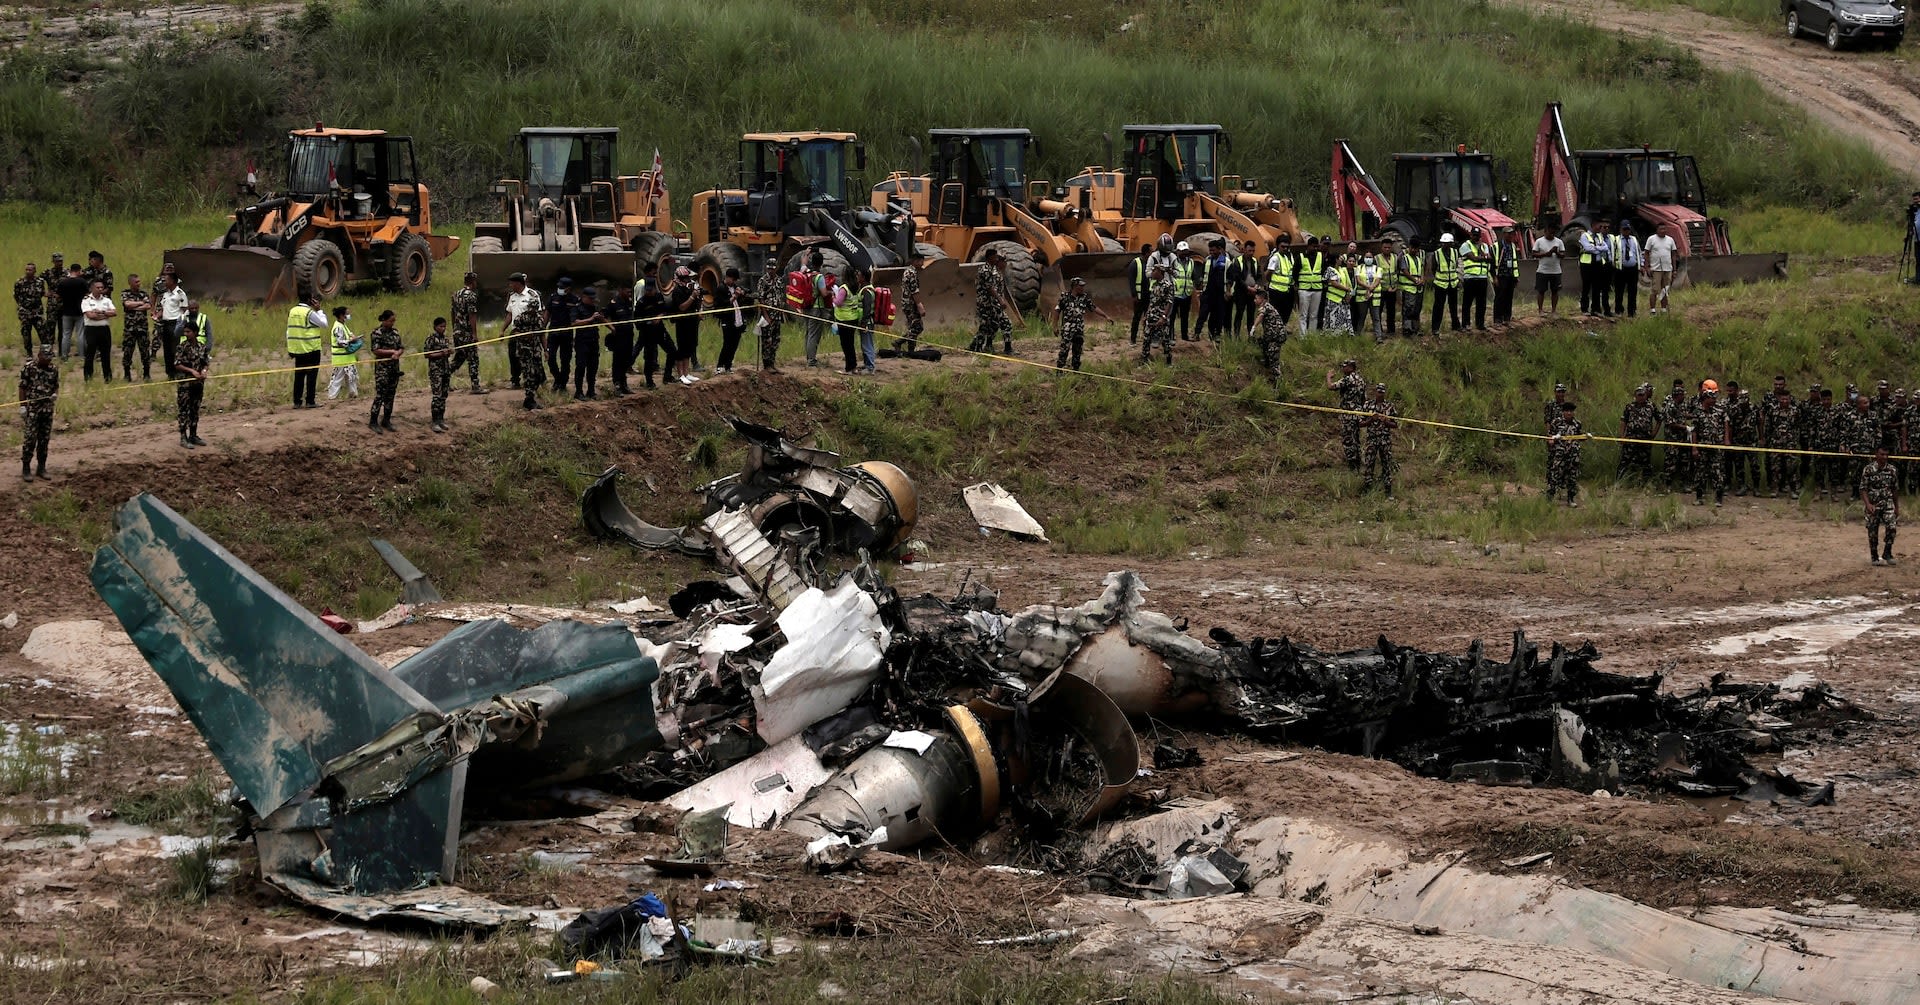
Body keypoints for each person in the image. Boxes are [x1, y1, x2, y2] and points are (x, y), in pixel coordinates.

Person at [1051, 276, 1110, 371]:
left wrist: (1106, 316)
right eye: (1081, 286)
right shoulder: (1065, 297)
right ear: (1075, 286)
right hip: (1068, 329)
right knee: (1064, 350)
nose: (1083, 288)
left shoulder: (1084, 298)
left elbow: (1093, 308)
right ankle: (1059, 370)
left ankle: (1076, 370)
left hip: (1079, 329)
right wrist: (1055, 326)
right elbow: (1057, 310)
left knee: (1077, 350)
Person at [506, 273, 546, 410]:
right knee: (528, 373)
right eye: (532, 309)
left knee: (538, 373)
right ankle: (529, 399)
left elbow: (542, 333)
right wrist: (523, 335)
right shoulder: (520, 318)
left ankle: (531, 395)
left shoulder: (533, 296)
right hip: (523, 347)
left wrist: (545, 350)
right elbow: (513, 323)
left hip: (535, 348)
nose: (533, 311)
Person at [970, 247, 1021, 354]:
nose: (997, 260)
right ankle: (1007, 349)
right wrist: (1001, 301)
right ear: (990, 258)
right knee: (1005, 323)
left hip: (992, 303)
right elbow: (990, 288)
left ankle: (978, 345)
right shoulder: (985, 270)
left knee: (989, 326)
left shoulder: (994, 270)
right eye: (996, 257)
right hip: (987, 303)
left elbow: (997, 288)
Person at [18, 342, 56, 482]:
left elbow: (55, 386)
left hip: (47, 410)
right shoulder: (29, 368)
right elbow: (22, 388)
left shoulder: (53, 369)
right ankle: (26, 468)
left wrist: (54, 395)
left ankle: (41, 467)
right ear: (39, 355)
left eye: (50, 357)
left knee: (44, 439)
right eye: (46, 357)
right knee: (30, 439)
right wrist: (23, 406)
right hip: (33, 410)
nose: (48, 359)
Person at [1691, 380, 1729, 507]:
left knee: (1717, 472)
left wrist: (1726, 439)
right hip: (1702, 446)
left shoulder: (1719, 409)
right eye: (1711, 398)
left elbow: (1726, 423)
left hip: (1716, 446)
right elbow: (1694, 431)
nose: (1714, 400)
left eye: (1715, 397)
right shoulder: (1698, 411)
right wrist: (1694, 448)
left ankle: (1718, 498)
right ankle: (1699, 497)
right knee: (1700, 473)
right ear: (1705, 398)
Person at [285, 293, 326, 408]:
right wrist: (319, 310)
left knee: (299, 376)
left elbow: (289, 330)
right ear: (310, 300)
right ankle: (310, 401)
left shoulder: (292, 311)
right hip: (311, 348)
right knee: (311, 376)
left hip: (298, 349)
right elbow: (324, 324)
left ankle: (297, 402)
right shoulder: (309, 312)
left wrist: (290, 347)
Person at [1326, 359, 1366, 473]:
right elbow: (1364, 398)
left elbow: (1331, 387)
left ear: (1351, 368)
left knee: (1348, 439)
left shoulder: (1348, 379)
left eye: (1345, 366)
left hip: (1348, 414)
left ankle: (1352, 466)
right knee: (1356, 439)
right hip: (1358, 413)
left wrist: (1328, 377)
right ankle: (1358, 464)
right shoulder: (1361, 380)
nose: (1343, 369)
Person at [367, 309, 403, 432]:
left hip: (394, 368)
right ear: (384, 320)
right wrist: (391, 352)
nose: (392, 323)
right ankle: (373, 421)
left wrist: (398, 352)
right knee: (380, 394)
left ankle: (386, 420)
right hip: (382, 369)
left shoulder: (395, 333)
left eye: (394, 321)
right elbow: (376, 350)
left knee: (391, 394)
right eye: (390, 321)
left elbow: (401, 347)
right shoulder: (377, 333)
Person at [831, 267, 873, 374]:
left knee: (846, 345)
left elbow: (839, 302)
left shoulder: (844, 288)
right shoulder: (855, 287)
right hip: (853, 319)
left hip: (844, 320)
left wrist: (833, 298)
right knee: (851, 345)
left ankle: (849, 368)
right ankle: (853, 367)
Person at [175, 319, 209, 448]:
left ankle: (193, 435)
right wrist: (191, 371)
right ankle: (183, 437)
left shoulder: (201, 347)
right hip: (185, 385)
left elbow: (206, 361)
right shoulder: (182, 347)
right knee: (184, 410)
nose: (186, 334)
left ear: (195, 332)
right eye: (185, 332)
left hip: (198, 384)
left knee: (195, 409)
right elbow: (177, 364)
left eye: (188, 332)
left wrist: (204, 371)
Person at [1361, 382, 1398, 497]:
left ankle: (1388, 491)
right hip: (1371, 439)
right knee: (1369, 464)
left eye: (1382, 392)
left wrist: (1386, 421)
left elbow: (1395, 424)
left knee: (1386, 464)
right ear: (1375, 392)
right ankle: (1367, 489)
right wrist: (1371, 420)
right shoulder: (1367, 405)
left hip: (1384, 440)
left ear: (1384, 393)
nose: (1380, 394)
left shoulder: (1389, 406)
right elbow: (1360, 423)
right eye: (1378, 391)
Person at [449, 272, 485, 394]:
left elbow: (452, 312)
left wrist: (454, 328)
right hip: (466, 332)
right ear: (473, 282)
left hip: (457, 331)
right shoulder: (471, 296)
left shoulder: (456, 294)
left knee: (459, 357)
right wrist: (474, 334)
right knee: (473, 358)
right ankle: (475, 386)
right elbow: (472, 315)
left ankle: (444, 377)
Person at [1864, 447, 1900, 565]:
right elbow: (1863, 488)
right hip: (1873, 504)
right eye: (1882, 454)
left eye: (1886, 455)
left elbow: (1895, 489)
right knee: (1872, 530)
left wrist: (1896, 507)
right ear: (1876, 455)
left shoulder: (1892, 470)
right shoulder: (1869, 469)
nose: (1884, 457)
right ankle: (1874, 556)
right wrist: (1868, 504)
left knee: (1892, 527)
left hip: (1888, 503)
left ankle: (1887, 553)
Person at [667, 266, 703, 383]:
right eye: (685, 278)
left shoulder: (688, 289)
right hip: (682, 323)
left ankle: (687, 373)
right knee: (682, 348)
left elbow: (694, 305)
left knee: (689, 347)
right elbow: (682, 307)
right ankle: (681, 374)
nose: (688, 280)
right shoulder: (677, 291)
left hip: (692, 321)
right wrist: (692, 297)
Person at [1618, 383, 1658, 482]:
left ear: (1646, 395)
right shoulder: (1629, 407)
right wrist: (1622, 436)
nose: (1641, 397)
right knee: (1625, 461)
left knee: (1646, 463)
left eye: (1643, 395)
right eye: (1639, 395)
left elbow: (1659, 419)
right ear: (1635, 396)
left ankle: (1646, 484)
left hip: (1645, 439)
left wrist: (1654, 433)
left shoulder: (1651, 406)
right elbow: (1623, 421)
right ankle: (1619, 482)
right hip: (1630, 438)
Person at [1547, 401, 1585, 506]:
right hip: (1560, 454)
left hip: (1573, 455)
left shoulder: (1577, 423)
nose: (1569, 413)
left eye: (1571, 411)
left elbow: (1579, 436)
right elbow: (1549, 438)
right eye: (1567, 411)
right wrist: (1553, 439)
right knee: (1555, 475)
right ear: (1563, 412)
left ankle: (1571, 499)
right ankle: (1549, 498)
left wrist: (1585, 436)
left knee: (1572, 477)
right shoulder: (1556, 422)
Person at [636, 262, 667, 388]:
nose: (650, 292)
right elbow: (638, 317)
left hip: (659, 329)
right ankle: (649, 380)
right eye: (653, 273)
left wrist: (659, 317)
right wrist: (647, 322)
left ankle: (667, 375)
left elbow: (665, 310)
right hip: (646, 330)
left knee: (671, 351)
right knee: (645, 353)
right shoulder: (641, 298)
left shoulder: (658, 296)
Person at [572, 286, 607, 398]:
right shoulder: (577, 308)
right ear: (584, 297)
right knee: (581, 366)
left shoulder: (594, 307)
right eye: (590, 298)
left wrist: (604, 321)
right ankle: (579, 392)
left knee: (593, 367)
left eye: (593, 299)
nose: (592, 301)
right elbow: (574, 323)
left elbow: (602, 319)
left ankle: (591, 391)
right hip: (582, 341)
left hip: (593, 340)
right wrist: (590, 319)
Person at [546, 277, 580, 391]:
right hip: (553, 333)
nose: (559, 289)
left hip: (566, 335)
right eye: (559, 286)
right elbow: (547, 313)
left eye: (562, 287)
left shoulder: (575, 300)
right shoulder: (553, 297)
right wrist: (542, 328)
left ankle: (563, 383)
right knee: (550, 358)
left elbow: (577, 318)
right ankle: (557, 378)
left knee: (565, 360)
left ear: (568, 289)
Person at [79, 280, 115, 382]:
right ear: (92, 288)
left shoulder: (107, 300)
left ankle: (108, 378)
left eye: (102, 287)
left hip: (104, 330)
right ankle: (88, 377)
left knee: (106, 355)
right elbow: (90, 316)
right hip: (91, 330)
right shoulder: (86, 300)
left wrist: (102, 312)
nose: (100, 289)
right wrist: (105, 316)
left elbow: (114, 312)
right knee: (90, 354)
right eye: (98, 287)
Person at [1139, 262, 1175, 365]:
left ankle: (1168, 362)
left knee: (1165, 340)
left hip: (1160, 317)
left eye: (1154, 270)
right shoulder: (1154, 285)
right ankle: (1144, 360)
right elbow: (1152, 302)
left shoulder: (1168, 285)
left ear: (1160, 272)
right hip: (1151, 317)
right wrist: (1146, 316)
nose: (1152, 273)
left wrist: (1163, 317)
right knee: (1146, 338)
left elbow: (1169, 302)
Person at [1727, 384, 1760, 496]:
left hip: (1752, 441)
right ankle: (1742, 486)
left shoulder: (1754, 408)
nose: (1743, 403)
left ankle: (1756, 487)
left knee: (1755, 466)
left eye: (1745, 400)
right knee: (1739, 466)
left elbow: (1759, 422)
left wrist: (1761, 437)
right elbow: (1730, 426)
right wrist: (1729, 441)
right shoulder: (1734, 409)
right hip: (1738, 441)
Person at [1251, 287, 1288, 384]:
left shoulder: (1266, 307)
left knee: (1274, 358)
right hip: (1271, 336)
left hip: (1276, 337)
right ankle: (1266, 363)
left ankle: (1278, 382)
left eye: (1256, 298)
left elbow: (1260, 316)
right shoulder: (1267, 307)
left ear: (1262, 299)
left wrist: (1254, 327)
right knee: (1261, 343)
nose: (1254, 301)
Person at [120, 274, 152, 381]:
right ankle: (127, 374)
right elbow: (127, 304)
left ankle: (147, 374)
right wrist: (141, 303)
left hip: (142, 328)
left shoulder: (143, 293)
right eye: (136, 282)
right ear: (130, 283)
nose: (139, 284)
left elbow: (148, 305)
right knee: (128, 351)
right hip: (130, 329)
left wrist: (135, 307)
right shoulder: (125, 293)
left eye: (139, 281)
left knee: (145, 351)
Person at [424, 316, 453, 433]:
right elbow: (427, 354)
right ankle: (434, 421)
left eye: (444, 326)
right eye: (441, 326)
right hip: (436, 371)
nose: (443, 328)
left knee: (444, 395)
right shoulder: (430, 339)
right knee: (437, 395)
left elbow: (447, 354)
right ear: (435, 327)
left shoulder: (445, 339)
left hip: (445, 370)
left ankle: (441, 419)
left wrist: (448, 352)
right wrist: (441, 353)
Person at [1196, 239, 1229, 342]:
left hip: (1219, 293)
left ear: (1219, 249)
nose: (1211, 252)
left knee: (1217, 316)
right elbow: (1202, 274)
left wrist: (1228, 291)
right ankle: (1197, 333)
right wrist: (1201, 287)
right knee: (1202, 314)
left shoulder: (1226, 262)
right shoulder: (1207, 260)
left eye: (1213, 250)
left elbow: (1230, 278)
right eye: (1210, 250)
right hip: (1208, 292)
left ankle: (1215, 335)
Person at [155, 272, 187, 377]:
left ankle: (178, 371)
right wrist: (157, 316)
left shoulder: (180, 293)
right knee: (167, 350)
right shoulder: (166, 294)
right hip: (165, 323)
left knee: (175, 349)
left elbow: (184, 310)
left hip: (175, 323)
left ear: (172, 281)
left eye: (166, 280)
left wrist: (181, 325)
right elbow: (164, 309)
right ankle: (170, 373)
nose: (164, 282)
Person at [53, 264, 88, 360]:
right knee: (80, 334)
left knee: (66, 334)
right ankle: (82, 355)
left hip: (66, 311)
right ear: (78, 271)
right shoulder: (82, 282)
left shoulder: (63, 282)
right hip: (79, 311)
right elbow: (87, 294)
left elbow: (58, 296)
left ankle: (64, 355)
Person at [605, 285, 636, 395]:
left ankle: (624, 384)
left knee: (626, 360)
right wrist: (611, 327)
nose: (629, 294)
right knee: (618, 361)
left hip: (629, 335)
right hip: (618, 337)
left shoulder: (629, 302)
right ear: (621, 290)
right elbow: (603, 316)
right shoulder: (613, 303)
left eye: (630, 292)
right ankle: (617, 384)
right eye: (627, 291)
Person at [1429, 234, 1461, 336]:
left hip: (1452, 283)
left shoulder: (1455, 253)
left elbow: (1455, 265)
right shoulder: (1437, 254)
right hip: (1441, 284)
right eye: (1444, 243)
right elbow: (1433, 269)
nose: (1446, 245)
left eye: (1448, 243)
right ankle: (1435, 328)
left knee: (1453, 306)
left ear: (1451, 243)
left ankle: (1455, 325)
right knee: (1438, 307)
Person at [1458, 231, 1490, 331]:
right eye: (1474, 235)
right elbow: (1473, 258)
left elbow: (1489, 258)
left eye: (1478, 236)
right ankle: (1466, 324)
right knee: (1467, 303)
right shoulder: (1465, 245)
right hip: (1470, 278)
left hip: (1482, 277)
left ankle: (1480, 324)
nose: (1476, 237)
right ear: (1470, 235)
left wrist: (1481, 252)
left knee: (1481, 303)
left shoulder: (1484, 246)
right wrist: (1483, 257)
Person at [326, 305, 360, 400]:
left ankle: (353, 395)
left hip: (347, 357)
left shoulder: (343, 325)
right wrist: (351, 341)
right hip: (340, 358)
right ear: (341, 315)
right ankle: (332, 397)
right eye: (347, 313)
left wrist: (353, 337)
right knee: (337, 379)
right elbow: (340, 342)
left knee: (351, 377)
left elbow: (349, 334)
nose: (349, 315)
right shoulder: (338, 327)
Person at [755, 259, 784, 371]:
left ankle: (772, 363)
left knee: (776, 340)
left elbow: (780, 296)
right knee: (767, 340)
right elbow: (761, 299)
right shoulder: (763, 280)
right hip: (767, 315)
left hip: (777, 315)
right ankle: (767, 365)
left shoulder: (779, 280)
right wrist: (766, 316)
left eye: (773, 268)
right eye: (769, 268)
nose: (771, 270)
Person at [1580, 220, 1613, 317]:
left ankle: (1595, 309)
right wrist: (1598, 248)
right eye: (1600, 226)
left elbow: (1606, 247)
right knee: (1586, 287)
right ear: (1593, 225)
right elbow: (1588, 248)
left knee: (1597, 287)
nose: (1601, 228)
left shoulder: (1599, 236)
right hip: (1586, 264)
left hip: (1597, 264)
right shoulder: (1584, 236)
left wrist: (1595, 248)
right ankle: (1584, 308)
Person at [1264, 235, 1297, 332]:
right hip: (1276, 291)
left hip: (1286, 290)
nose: (1285, 249)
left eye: (1287, 247)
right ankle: (1274, 331)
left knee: (1286, 312)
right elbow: (1268, 274)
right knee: (1275, 313)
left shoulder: (1287, 257)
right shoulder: (1275, 258)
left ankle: (1281, 330)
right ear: (1278, 246)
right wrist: (1271, 283)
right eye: (1283, 246)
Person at [804, 251, 831, 366]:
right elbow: (824, 294)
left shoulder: (807, 273)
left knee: (809, 333)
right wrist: (832, 291)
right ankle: (811, 360)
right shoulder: (819, 277)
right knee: (814, 334)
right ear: (821, 263)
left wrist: (805, 253)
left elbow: (803, 263)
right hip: (816, 308)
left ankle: (809, 357)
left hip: (807, 307)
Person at [895, 254, 926, 353]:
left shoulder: (908, 271)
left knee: (912, 327)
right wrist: (920, 305)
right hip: (911, 305)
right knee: (917, 327)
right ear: (916, 261)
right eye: (921, 261)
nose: (922, 264)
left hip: (907, 303)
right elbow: (914, 291)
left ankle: (911, 351)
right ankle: (899, 342)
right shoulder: (911, 273)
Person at [1644, 226, 1678, 314]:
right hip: (1656, 269)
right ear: (1657, 230)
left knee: (1665, 289)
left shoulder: (1670, 240)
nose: (1663, 231)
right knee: (1655, 289)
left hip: (1667, 268)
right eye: (1661, 229)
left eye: (1664, 229)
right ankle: (1652, 309)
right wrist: (1647, 267)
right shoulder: (1651, 239)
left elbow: (1674, 254)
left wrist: (1674, 269)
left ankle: (1663, 308)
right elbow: (1646, 253)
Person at [1228, 240, 1259, 337]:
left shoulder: (1255, 261)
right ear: (1244, 250)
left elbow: (1259, 275)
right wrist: (1248, 288)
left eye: (1253, 251)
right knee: (1239, 313)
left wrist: (1257, 286)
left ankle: (1251, 335)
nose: (1251, 253)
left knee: (1251, 314)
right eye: (1249, 251)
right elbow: (1237, 278)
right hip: (1241, 292)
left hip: (1253, 292)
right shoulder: (1238, 261)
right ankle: (1236, 335)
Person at [1295, 236, 1325, 334]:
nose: (1315, 249)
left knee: (1314, 315)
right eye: (1313, 246)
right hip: (1304, 289)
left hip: (1317, 289)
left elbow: (1324, 271)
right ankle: (1303, 336)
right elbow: (1295, 272)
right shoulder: (1301, 257)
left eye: (1317, 247)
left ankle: (1311, 335)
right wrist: (1297, 284)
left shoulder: (1320, 256)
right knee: (1303, 314)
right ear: (1308, 246)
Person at [1395, 239, 1425, 336]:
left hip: (1418, 288)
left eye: (1415, 248)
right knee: (1408, 309)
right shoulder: (1405, 258)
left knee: (1417, 308)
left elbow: (1422, 271)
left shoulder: (1419, 259)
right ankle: (1407, 329)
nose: (1413, 250)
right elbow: (1405, 271)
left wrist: (1422, 279)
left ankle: (1415, 328)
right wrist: (1415, 280)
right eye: (1412, 248)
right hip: (1408, 288)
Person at [1532, 229, 1565, 315]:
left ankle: (1554, 310)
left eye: (1553, 233)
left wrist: (1556, 253)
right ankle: (1540, 310)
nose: (1552, 234)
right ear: (1545, 232)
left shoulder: (1559, 241)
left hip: (1556, 271)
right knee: (1541, 291)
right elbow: (1534, 254)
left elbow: (1563, 255)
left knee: (1555, 291)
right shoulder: (1539, 241)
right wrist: (1546, 254)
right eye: (1550, 232)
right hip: (1542, 270)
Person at [1612, 223, 1641, 319]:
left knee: (1632, 291)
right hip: (1621, 269)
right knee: (1619, 291)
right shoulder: (1616, 239)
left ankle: (1631, 312)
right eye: (1624, 229)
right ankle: (1619, 310)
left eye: (1628, 229)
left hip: (1632, 269)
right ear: (1621, 229)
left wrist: (1641, 265)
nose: (1626, 231)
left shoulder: (1634, 239)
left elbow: (1638, 252)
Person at [1492, 228, 1520, 327]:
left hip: (1510, 276)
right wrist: (1494, 277)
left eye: (1512, 234)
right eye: (1509, 234)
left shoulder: (1512, 246)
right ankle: (1497, 319)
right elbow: (1492, 263)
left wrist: (1516, 276)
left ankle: (1507, 318)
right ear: (1504, 234)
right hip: (1500, 276)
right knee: (1500, 297)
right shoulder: (1497, 246)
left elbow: (1514, 261)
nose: (1511, 236)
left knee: (1509, 297)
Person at [14, 262, 42, 357]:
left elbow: (41, 293)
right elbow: (16, 296)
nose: (28, 271)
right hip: (25, 312)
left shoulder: (39, 281)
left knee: (43, 332)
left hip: (37, 311)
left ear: (34, 271)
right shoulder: (19, 282)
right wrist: (23, 306)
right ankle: (29, 354)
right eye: (26, 269)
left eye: (30, 270)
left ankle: (44, 353)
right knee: (26, 334)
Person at [1353, 253, 1383, 341]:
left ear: (1373, 258)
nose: (1368, 259)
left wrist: (1371, 288)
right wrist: (1368, 287)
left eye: (1370, 257)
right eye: (1367, 257)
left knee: (1376, 317)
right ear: (1364, 258)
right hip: (1362, 297)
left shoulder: (1378, 268)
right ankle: (1358, 335)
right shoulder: (1359, 268)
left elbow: (1377, 280)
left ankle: (1378, 336)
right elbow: (1358, 280)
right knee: (1361, 316)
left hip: (1375, 296)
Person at [1322, 253, 1353, 336]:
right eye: (1340, 258)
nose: (1341, 259)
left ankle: (1341, 334)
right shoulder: (1330, 269)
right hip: (1333, 298)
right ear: (1336, 259)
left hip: (1342, 299)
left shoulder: (1342, 270)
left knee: (1341, 319)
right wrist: (1346, 289)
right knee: (1333, 318)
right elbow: (1334, 283)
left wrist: (1348, 293)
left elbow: (1345, 282)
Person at [1171, 241, 1197, 341]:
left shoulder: (1191, 262)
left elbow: (1193, 276)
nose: (1184, 253)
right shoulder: (1173, 261)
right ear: (1177, 251)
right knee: (1172, 317)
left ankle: (1184, 336)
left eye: (1186, 251)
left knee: (1185, 316)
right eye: (1182, 251)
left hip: (1186, 293)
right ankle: (1171, 336)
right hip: (1175, 293)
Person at [1128, 244, 1154, 345]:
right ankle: (1133, 339)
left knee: (1148, 318)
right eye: (1151, 251)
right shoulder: (1135, 263)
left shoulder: (1151, 263)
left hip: (1149, 295)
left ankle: (1147, 338)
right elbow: (1131, 280)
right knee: (1137, 318)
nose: (1152, 253)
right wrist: (1134, 295)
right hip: (1139, 296)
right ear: (1147, 252)